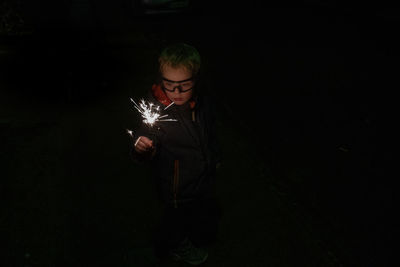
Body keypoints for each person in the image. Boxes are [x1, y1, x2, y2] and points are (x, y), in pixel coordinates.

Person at [130, 43, 222, 265]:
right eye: (170, 84)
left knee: (194, 214)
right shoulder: (157, 110)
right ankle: (176, 246)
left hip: (200, 179)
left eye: (185, 84)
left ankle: (188, 235)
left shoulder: (202, 102)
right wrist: (141, 146)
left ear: (196, 79)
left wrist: (214, 158)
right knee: (175, 221)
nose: (177, 92)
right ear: (161, 78)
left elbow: (210, 132)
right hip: (174, 187)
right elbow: (145, 133)